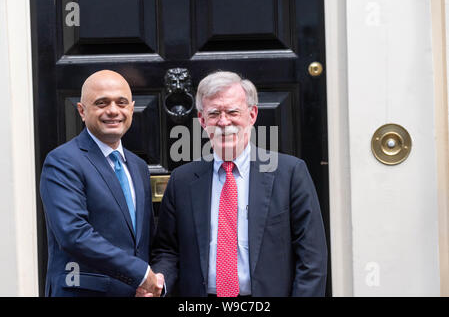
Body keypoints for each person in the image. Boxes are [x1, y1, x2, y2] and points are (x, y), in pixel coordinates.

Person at [147, 71, 328, 297]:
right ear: (202, 121)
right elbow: (167, 250)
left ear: (252, 115)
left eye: (233, 112)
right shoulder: (182, 180)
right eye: (214, 114)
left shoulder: (290, 174)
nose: (224, 122)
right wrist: (160, 281)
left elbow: (312, 257)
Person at [40, 70, 163, 297]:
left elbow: (142, 241)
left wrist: (152, 282)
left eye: (121, 102)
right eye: (102, 103)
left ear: (132, 108)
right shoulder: (63, 162)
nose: (113, 111)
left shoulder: (138, 166)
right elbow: (74, 235)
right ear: (82, 111)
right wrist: (141, 273)